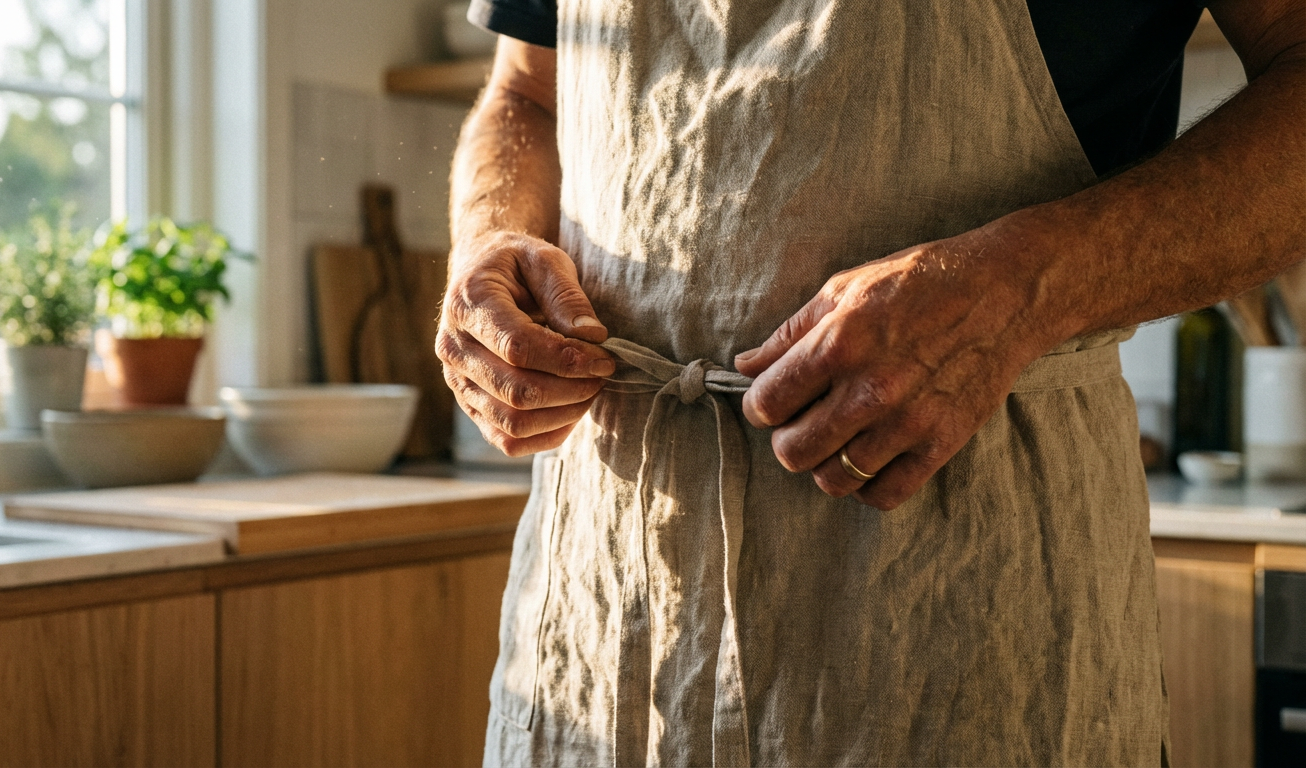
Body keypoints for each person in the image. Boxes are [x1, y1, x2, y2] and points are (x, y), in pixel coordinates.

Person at [435, 0, 1306, 763]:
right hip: (600, 642)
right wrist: (486, 241)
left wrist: (1027, 286)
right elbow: (526, 92)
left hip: (962, 650)